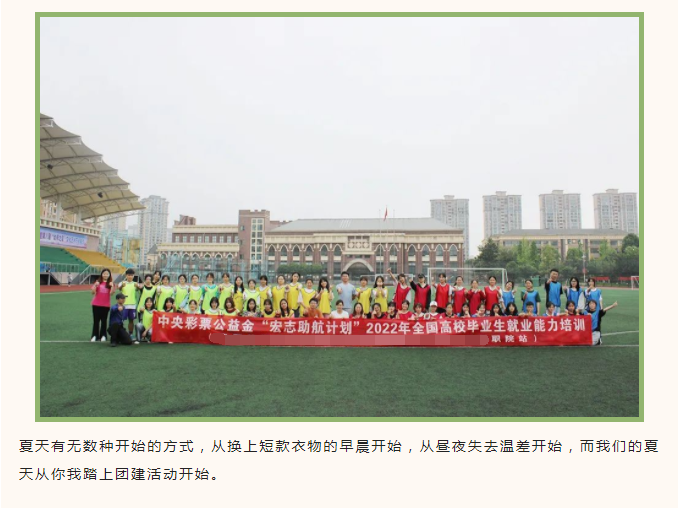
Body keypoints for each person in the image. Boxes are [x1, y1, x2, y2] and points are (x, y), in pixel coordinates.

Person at [91, 268, 113, 342]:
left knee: (104, 321)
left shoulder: (110, 283)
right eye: (104, 273)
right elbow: (93, 292)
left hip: (106, 305)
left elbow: (111, 293)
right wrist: (95, 286)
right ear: (101, 274)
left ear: (109, 275)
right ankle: (94, 335)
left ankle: (103, 335)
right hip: (96, 304)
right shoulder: (98, 282)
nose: (105, 275)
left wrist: (112, 286)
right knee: (96, 321)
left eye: (107, 274)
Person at [118, 268, 139, 337]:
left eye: (131, 275)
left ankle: (130, 334)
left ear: (133, 276)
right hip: (124, 305)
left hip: (132, 305)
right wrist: (122, 286)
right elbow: (119, 288)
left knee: (131, 320)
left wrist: (138, 287)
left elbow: (139, 289)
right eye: (129, 275)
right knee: (121, 320)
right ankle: (120, 333)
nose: (130, 276)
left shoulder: (135, 284)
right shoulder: (122, 283)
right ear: (126, 275)